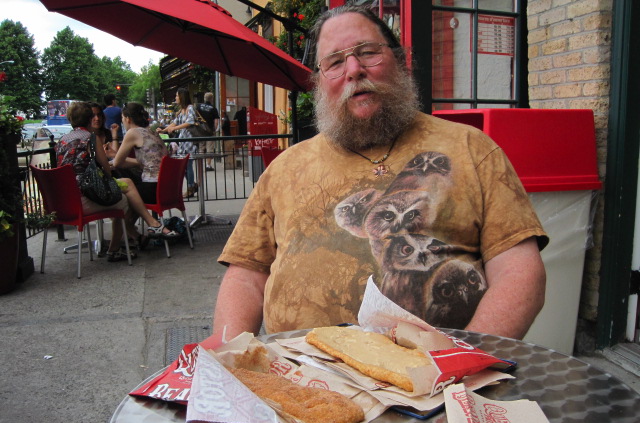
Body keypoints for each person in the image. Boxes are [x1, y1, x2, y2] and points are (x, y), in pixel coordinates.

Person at [206, 6, 547, 348]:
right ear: (320, 82)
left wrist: (468, 357)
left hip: (441, 379)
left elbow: (518, 270)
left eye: (368, 53)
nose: (353, 70)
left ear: (399, 61)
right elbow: (247, 277)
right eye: (335, 62)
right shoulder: (283, 169)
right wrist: (228, 355)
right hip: (303, 378)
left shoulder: (471, 149)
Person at [56, 102, 174, 262]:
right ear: (90, 119)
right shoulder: (91, 138)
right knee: (123, 201)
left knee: (125, 189)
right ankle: (116, 248)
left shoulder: (61, 141)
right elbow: (106, 169)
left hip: (64, 201)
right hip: (84, 198)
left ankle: (136, 237)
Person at [157, 88, 199, 198]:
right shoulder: (182, 111)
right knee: (184, 165)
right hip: (183, 141)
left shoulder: (190, 108)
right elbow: (174, 123)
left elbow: (189, 122)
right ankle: (192, 185)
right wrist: (163, 130)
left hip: (189, 141)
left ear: (182, 96)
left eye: (177, 96)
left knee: (187, 165)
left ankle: (190, 187)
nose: (175, 98)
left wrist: (174, 128)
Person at [198, 92, 220, 171]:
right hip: (210, 131)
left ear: (204, 98)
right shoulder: (213, 109)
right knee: (209, 148)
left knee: (201, 147)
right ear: (211, 99)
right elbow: (216, 122)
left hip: (201, 131)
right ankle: (208, 165)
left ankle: (200, 165)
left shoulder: (199, 106)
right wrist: (214, 129)